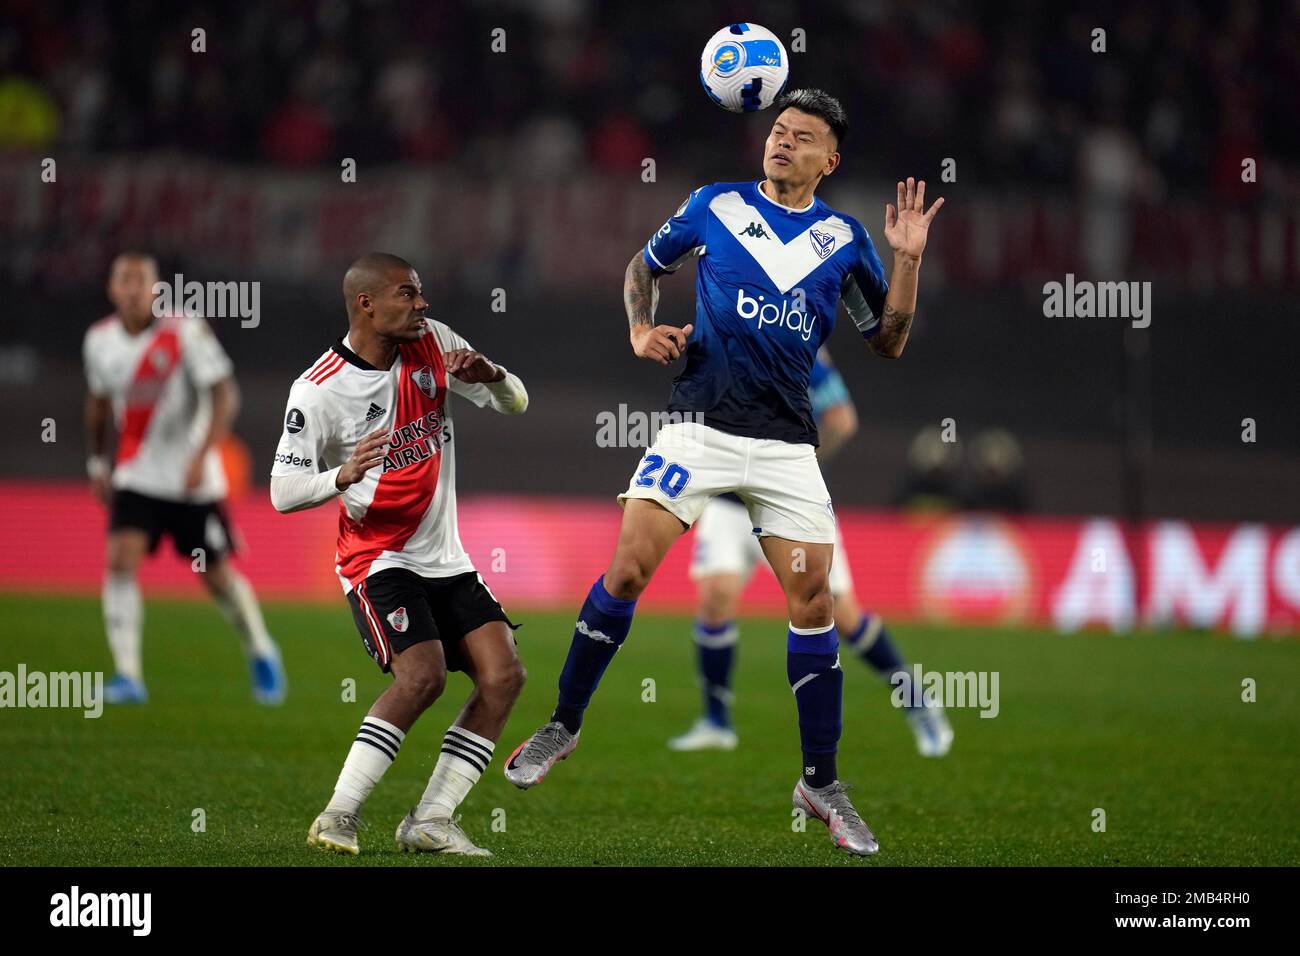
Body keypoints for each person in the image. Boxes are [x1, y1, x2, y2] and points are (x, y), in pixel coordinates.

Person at [505, 89, 944, 856]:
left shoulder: (843, 238)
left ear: (828, 161)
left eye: (801, 137)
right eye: (778, 130)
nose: (782, 143)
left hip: (786, 449)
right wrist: (641, 329)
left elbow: (891, 341)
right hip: (696, 431)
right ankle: (562, 725)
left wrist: (905, 262)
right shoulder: (715, 204)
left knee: (814, 606)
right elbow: (641, 270)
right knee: (630, 570)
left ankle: (821, 782)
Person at [271, 253, 528, 857]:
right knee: (424, 675)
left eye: (421, 293)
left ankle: (432, 819)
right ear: (367, 304)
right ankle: (338, 814)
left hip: (446, 555)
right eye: (408, 294)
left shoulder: (434, 342)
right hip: (378, 557)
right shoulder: (318, 388)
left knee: (504, 675)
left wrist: (491, 375)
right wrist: (342, 474)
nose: (423, 305)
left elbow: (516, 402)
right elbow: (282, 492)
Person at [669, 347, 953, 757]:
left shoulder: (797, 345)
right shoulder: (728, 333)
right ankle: (716, 721)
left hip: (788, 501)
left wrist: (796, 470)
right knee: (715, 598)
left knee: (842, 613)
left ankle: (916, 701)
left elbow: (841, 418)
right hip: (729, 504)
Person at [84, 251, 285, 706]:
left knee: (215, 577)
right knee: (119, 559)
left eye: (142, 281)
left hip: (193, 480)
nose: (134, 289)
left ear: (157, 288)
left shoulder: (185, 332)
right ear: (112, 289)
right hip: (136, 474)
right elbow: (97, 403)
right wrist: (98, 464)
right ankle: (128, 676)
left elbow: (224, 394)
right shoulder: (99, 341)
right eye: (124, 281)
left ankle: (260, 647)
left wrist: (203, 452)